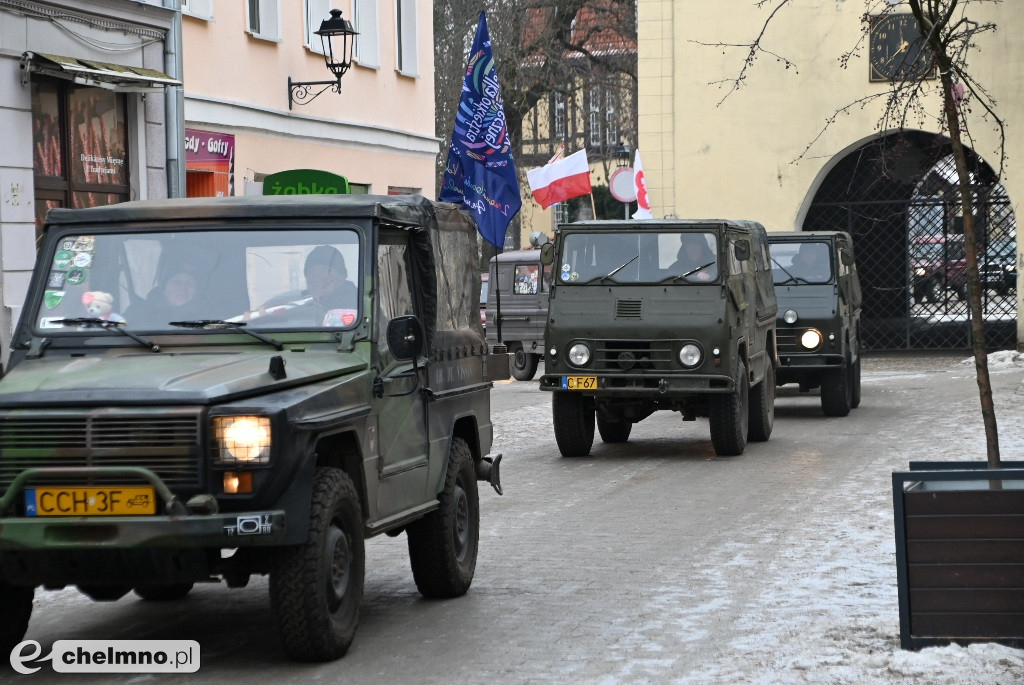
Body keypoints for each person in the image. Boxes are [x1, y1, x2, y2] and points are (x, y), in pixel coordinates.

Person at [302, 245, 358, 310]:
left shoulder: (356, 305)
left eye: (324, 270)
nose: (316, 277)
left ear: (341, 277)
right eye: (311, 271)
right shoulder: (296, 305)